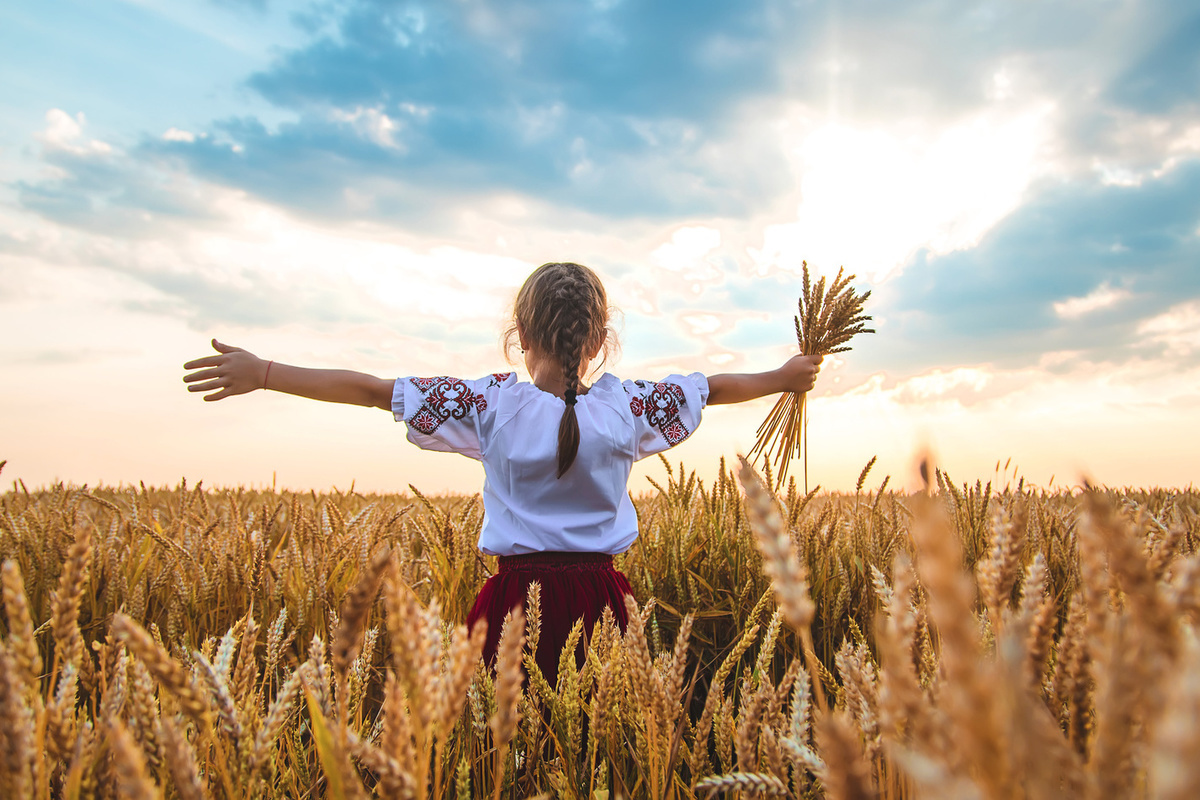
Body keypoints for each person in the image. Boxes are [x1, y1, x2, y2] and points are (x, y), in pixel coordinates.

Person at [183, 261, 822, 685]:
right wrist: (784, 378)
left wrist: (265, 372)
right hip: (607, 606)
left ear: (518, 334)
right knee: (604, 745)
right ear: (599, 340)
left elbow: (372, 389)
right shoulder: (627, 410)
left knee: (507, 755)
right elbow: (712, 388)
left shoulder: (491, 406)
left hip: (514, 607)